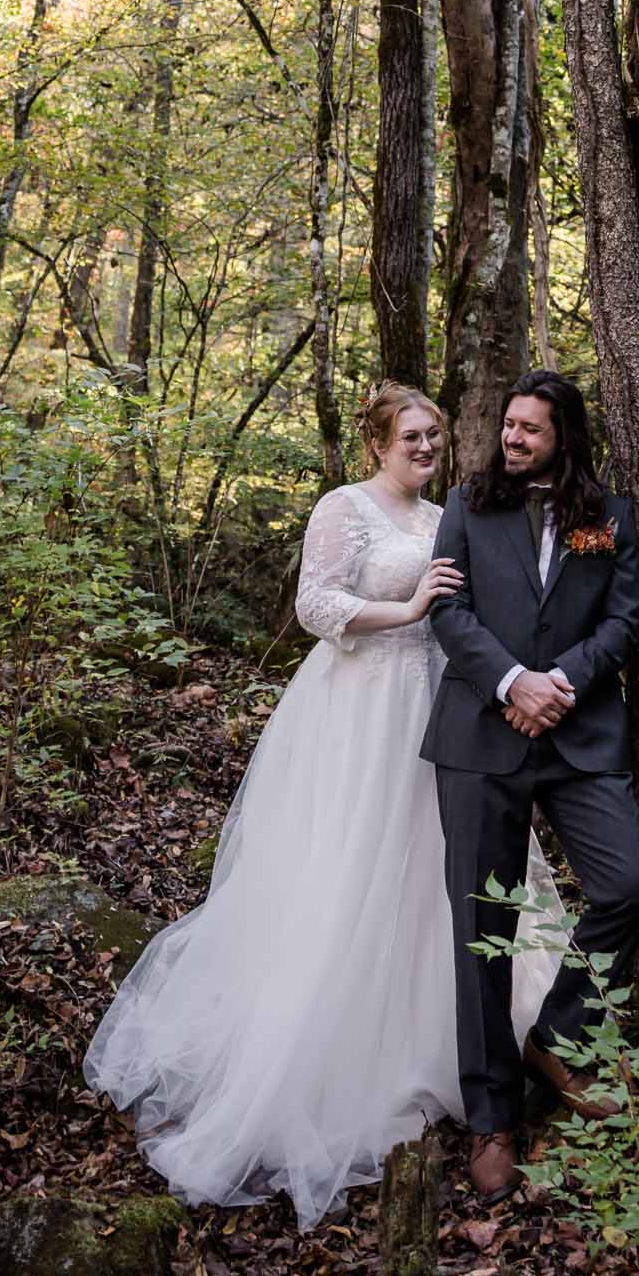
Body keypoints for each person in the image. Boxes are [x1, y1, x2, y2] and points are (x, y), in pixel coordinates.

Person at [82, 381, 563, 1229]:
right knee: (350, 867)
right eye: (412, 437)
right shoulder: (345, 508)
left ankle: (470, 1042)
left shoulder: (447, 514)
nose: (426, 450)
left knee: (440, 878)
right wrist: (407, 606)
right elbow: (315, 605)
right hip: (359, 712)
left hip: (439, 712)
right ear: (378, 443)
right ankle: (337, 1054)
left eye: (435, 438)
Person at [422, 368, 639, 1206]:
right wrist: (511, 682)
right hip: (481, 734)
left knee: (630, 887)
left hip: (578, 735)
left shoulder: (611, 517)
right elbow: (447, 613)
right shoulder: (467, 503)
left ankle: (555, 1035)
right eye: (509, 425)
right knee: (480, 924)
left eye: (530, 428)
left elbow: (622, 624)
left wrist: (554, 683)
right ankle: (492, 1122)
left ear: (565, 434)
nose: (513, 438)